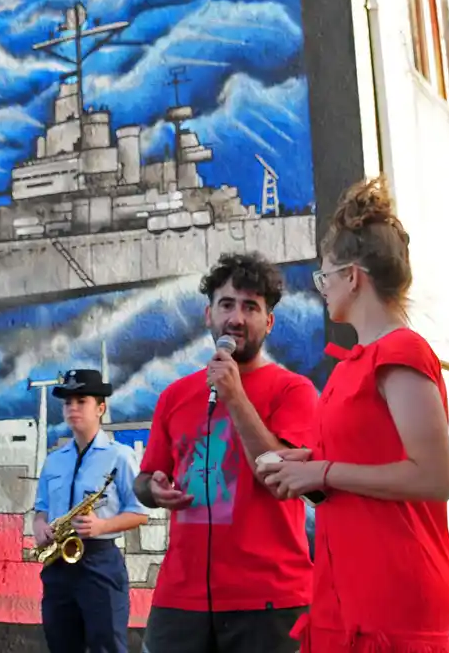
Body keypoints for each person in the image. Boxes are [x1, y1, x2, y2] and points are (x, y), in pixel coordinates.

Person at [258, 179, 449, 653]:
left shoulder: (401, 351)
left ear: (353, 276)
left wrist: (321, 470)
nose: (322, 289)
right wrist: (305, 468)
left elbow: (434, 477)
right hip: (340, 585)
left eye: (324, 276)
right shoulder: (354, 363)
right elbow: (361, 465)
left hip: (389, 592)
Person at [136, 252, 319, 652]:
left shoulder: (295, 392)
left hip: (269, 601)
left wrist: (235, 397)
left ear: (268, 322)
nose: (236, 318)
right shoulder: (174, 396)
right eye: (227, 305)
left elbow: (281, 477)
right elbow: (144, 479)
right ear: (208, 315)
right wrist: (155, 488)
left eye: (250, 307)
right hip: (180, 600)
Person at [32, 369, 148, 653]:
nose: (72, 408)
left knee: (107, 645)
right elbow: (40, 510)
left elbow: (140, 512)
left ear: (100, 408)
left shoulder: (120, 456)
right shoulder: (54, 460)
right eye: (67, 402)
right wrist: (39, 527)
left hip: (100, 563)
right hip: (58, 565)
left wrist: (102, 527)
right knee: (61, 644)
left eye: (81, 401)